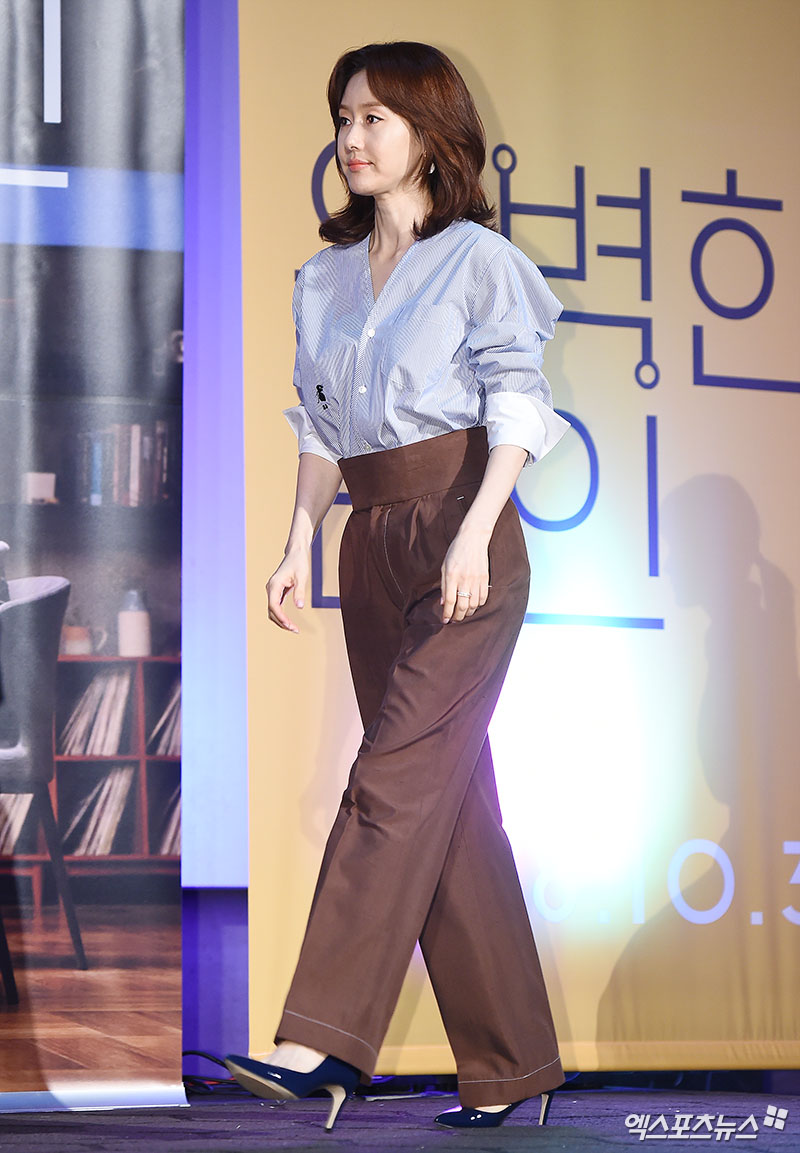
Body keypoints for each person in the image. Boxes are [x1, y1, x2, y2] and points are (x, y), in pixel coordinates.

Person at [226, 40, 569, 1131]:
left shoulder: (476, 260)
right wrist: (294, 541)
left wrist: (474, 532)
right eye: (341, 118)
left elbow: (519, 403)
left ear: (430, 131)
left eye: (373, 117)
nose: (350, 138)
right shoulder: (320, 280)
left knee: (386, 786)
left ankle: (319, 1044)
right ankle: (513, 1069)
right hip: (367, 540)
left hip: (464, 536)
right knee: (447, 807)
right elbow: (321, 432)